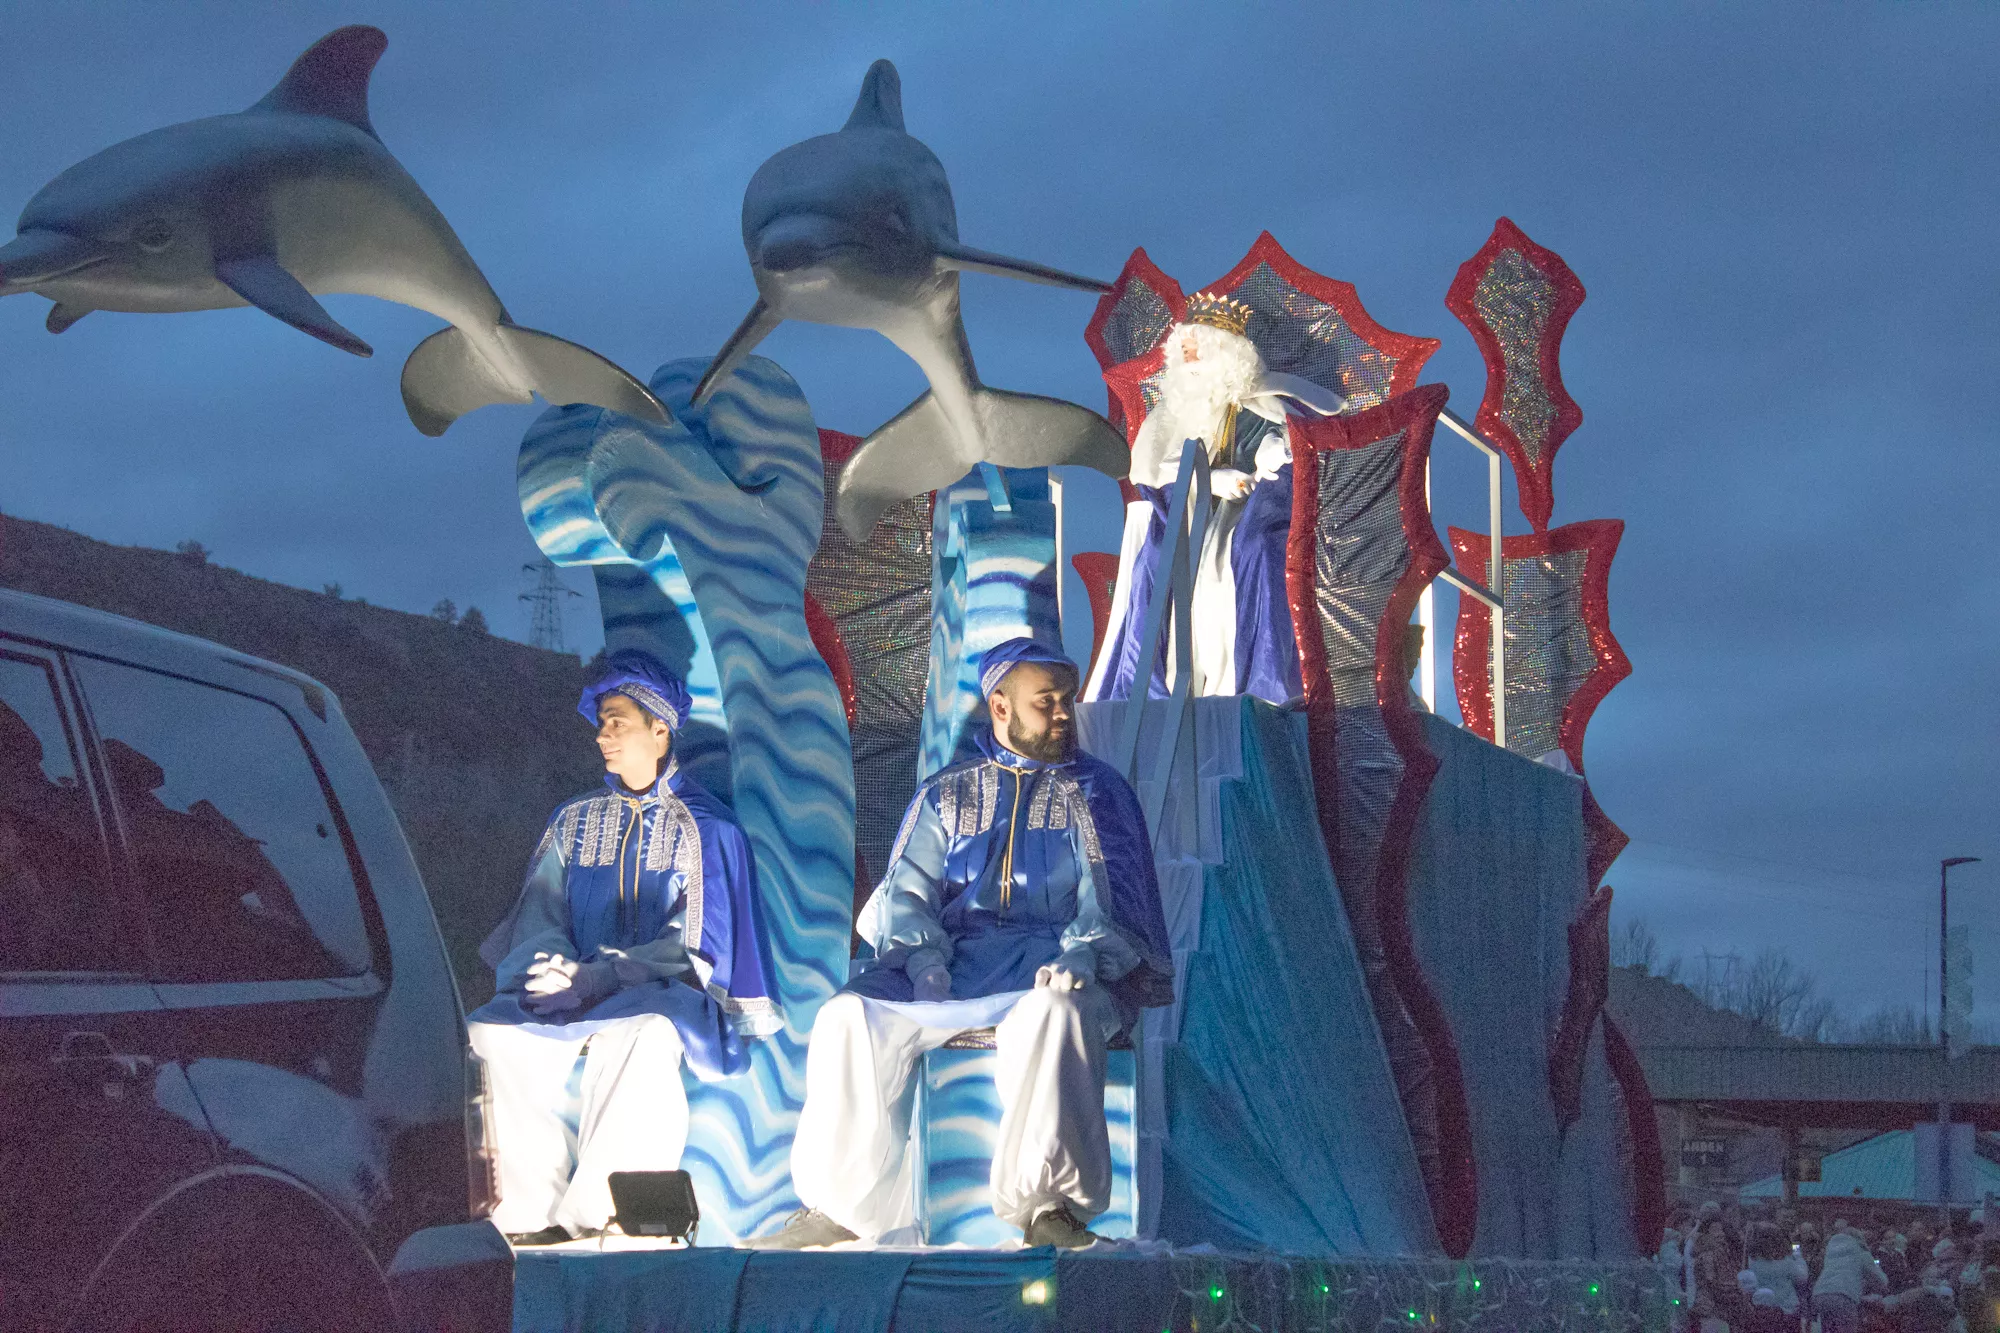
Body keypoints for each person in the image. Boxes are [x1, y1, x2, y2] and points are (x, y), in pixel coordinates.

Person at [755, 638, 1173, 1250]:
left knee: (1058, 1014)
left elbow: (1113, 897)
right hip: (957, 966)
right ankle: (838, 1207)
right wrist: (923, 958)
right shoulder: (947, 791)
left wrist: (1084, 952)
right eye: (1045, 702)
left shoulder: (1098, 791)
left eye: (1065, 701)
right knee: (849, 1015)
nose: (1063, 714)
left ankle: (1050, 1211)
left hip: (1051, 968)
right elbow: (909, 891)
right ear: (999, 707)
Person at [467, 650, 779, 1244]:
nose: (603, 737)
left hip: (659, 991)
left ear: (659, 729)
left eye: (618, 722)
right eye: (602, 723)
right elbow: (541, 914)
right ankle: (527, 1215)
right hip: (575, 988)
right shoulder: (573, 820)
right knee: (491, 1033)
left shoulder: (708, 827)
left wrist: (605, 976)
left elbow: (697, 946)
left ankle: (606, 1215)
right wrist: (551, 969)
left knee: (645, 1033)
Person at [1085, 293, 1345, 707]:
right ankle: (1153, 690)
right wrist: (1205, 479)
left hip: (1253, 508)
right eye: (1182, 348)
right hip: (1188, 509)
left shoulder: (1265, 398)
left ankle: (1262, 683)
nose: (1188, 355)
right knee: (1155, 558)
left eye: (1197, 346)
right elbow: (1154, 469)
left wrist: (1274, 452)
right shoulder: (1173, 412)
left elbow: (1298, 439)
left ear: (1227, 354)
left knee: (1256, 550)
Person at [1814, 1222, 1890, 1333]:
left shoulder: (1831, 1252)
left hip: (1820, 1294)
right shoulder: (1861, 1252)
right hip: (1843, 1296)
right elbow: (1879, 1279)